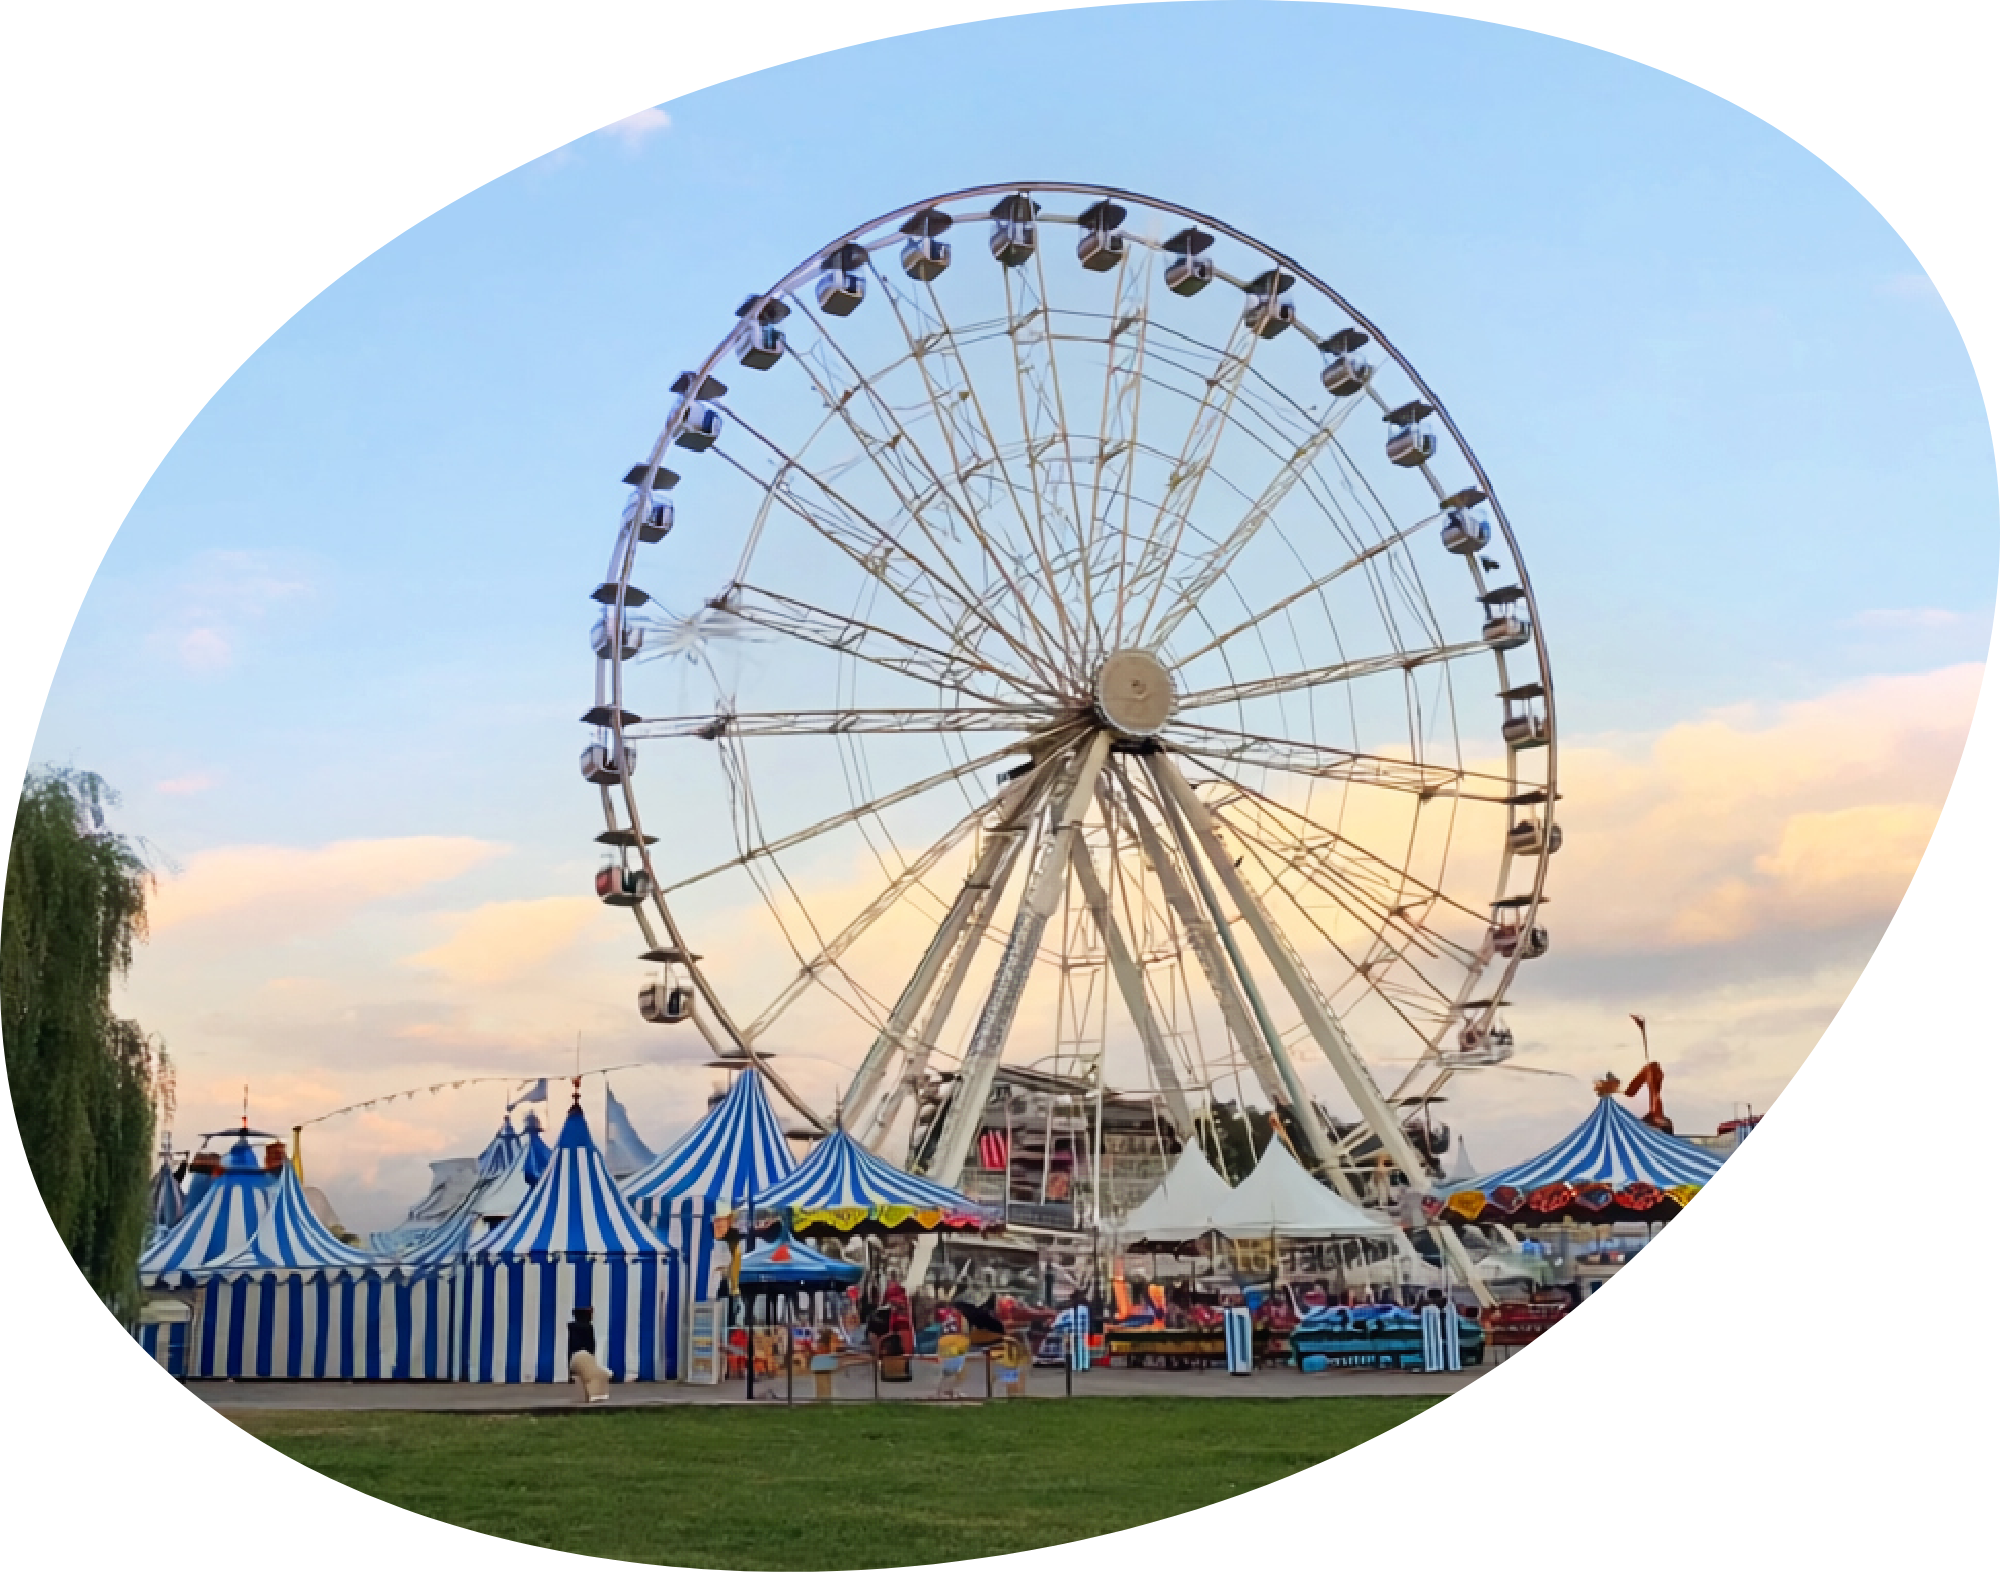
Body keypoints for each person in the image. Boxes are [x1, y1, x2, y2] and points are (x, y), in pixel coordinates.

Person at [567, 1306, 610, 1403]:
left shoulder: (572, 1327)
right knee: (591, 1377)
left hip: (575, 1356)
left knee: (581, 1378)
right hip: (585, 1355)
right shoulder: (587, 1327)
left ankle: (587, 1396)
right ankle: (594, 1395)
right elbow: (590, 1344)